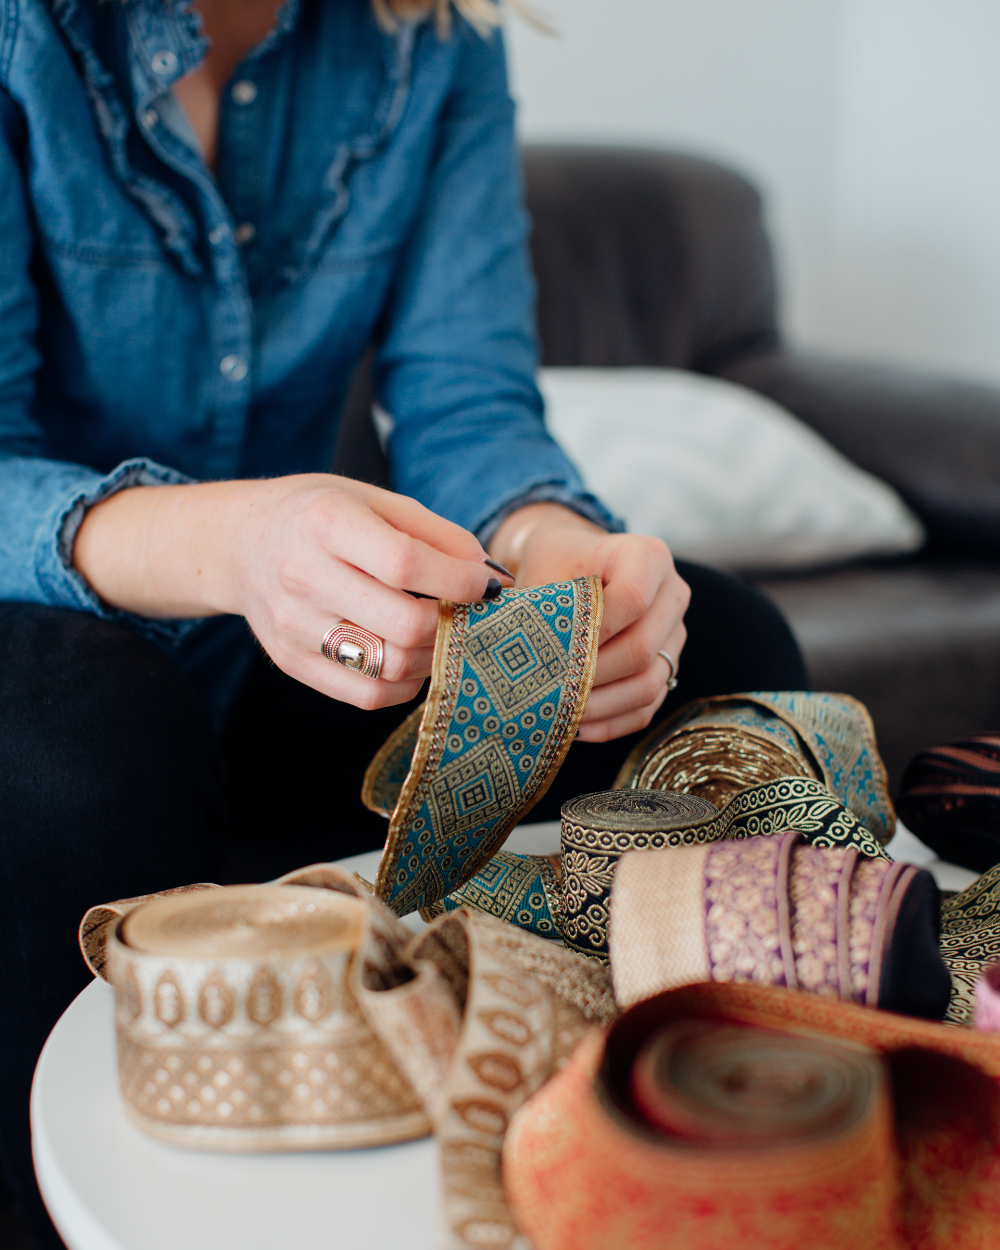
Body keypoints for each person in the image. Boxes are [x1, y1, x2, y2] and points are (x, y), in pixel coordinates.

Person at [0, 0, 805, 1242]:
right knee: (89, 738)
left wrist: (558, 548)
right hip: (49, 659)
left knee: (729, 644)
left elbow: (469, 403)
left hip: (279, 663)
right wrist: (231, 540)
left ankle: (654, 1150)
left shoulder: (432, 32)